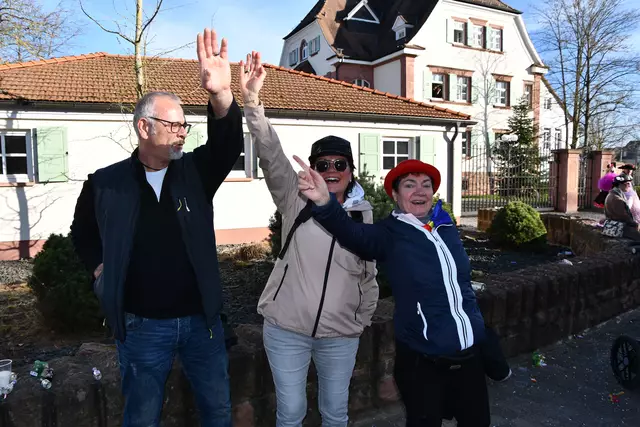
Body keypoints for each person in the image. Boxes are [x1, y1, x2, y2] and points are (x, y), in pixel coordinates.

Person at [69, 28, 242, 427]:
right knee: (142, 417)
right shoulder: (105, 183)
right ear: (145, 127)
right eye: (174, 125)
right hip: (142, 326)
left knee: (218, 411)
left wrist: (220, 94)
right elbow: (82, 233)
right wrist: (99, 270)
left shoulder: (195, 172)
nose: (183, 133)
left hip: (202, 323)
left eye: (185, 126)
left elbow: (228, 143)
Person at [293, 156, 489, 427]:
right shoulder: (389, 234)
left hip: (469, 357)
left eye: (426, 185)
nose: (420, 191)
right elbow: (351, 233)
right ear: (396, 195)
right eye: (409, 185)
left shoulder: (445, 226)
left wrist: (479, 331)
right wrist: (325, 203)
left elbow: (461, 285)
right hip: (423, 361)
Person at [239, 51, 379, 427]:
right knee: (290, 413)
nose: (331, 170)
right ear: (312, 169)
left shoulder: (363, 213)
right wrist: (252, 102)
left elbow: (368, 273)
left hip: (341, 335)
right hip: (287, 330)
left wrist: (361, 318)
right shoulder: (294, 198)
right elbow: (270, 153)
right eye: (322, 164)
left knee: (335, 414)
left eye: (339, 164)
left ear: (350, 171)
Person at [604, 175, 640, 241]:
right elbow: (624, 217)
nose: (629, 186)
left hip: (614, 226)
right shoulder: (617, 199)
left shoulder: (612, 194)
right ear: (621, 184)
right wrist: (635, 224)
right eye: (628, 183)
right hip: (621, 228)